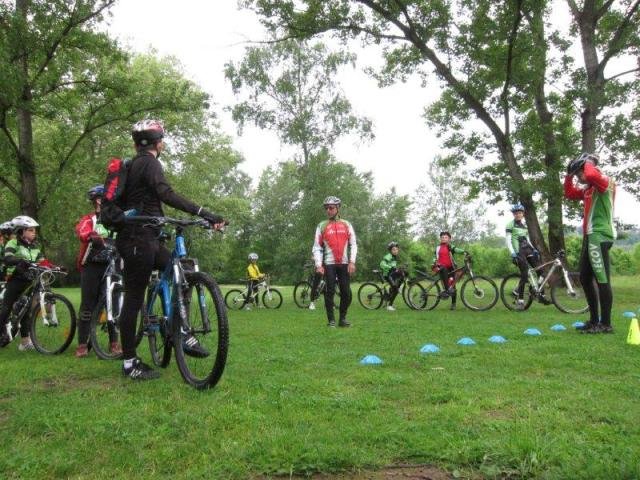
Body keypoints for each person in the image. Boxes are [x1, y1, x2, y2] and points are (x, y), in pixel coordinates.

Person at [116, 119, 225, 380]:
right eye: (162, 140)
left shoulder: (133, 165)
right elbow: (165, 193)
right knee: (133, 297)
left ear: (136, 143)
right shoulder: (149, 162)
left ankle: (180, 331)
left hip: (148, 237)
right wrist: (204, 213)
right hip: (136, 239)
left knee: (178, 272)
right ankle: (130, 363)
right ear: (158, 143)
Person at [564, 153, 616, 333]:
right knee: (585, 277)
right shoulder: (589, 189)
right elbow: (569, 193)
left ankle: (606, 324)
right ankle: (594, 320)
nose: (580, 177)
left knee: (602, 279)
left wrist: (588, 163)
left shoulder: (604, 182)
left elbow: (592, 175)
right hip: (590, 236)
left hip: (600, 235)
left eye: (580, 173)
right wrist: (569, 175)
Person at [74, 185, 122, 358]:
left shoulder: (117, 219)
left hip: (113, 265)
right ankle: (82, 344)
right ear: (99, 200)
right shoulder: (90, 219)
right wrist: (91, 235)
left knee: (112, 303)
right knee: (88, 303)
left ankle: (114, 343)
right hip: (92, 265)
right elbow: (81, 230)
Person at [0, 216, 54, 350]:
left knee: (26, 312)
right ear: (21, 231)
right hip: (15, 279)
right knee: (6, 308)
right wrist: (19, 261)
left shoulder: (35, 247)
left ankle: (25, 342)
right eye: (30, 230)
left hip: (29, 281)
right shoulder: (13, 243)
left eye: (34, 230)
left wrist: (54, 267)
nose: (34, 232)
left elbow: (42, 262)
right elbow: (7, 258)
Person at [312, 196, 357, 327]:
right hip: (329, 263)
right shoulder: (322, 225)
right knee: (329, 291)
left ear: (338, 208)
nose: (328, 210)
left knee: (346, 292)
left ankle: (342, 319)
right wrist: (318, 265)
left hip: (344, 263)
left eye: (331, 208)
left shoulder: (346, 224)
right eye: (326, 208)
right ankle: (331, 320)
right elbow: (316, 247)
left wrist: (352, 261)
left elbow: (353, 244)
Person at [505, 204, 547, 309]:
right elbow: (508, 241)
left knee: (542, 272)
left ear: (523, 214)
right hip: (519, 252)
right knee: (524, 275)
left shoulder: (524, 225)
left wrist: (534, 249)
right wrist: (512, 253)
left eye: (520, 213)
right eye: (516, 213)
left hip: (528, 250)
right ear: (514, 214)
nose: (518, 215)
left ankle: (539, 293)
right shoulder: (510, 225)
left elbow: (527, 239)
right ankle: (520, 301)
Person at [432, 231, 466, 310]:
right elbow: (434, 257)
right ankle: (447, 289)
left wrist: (464, 252)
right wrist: (434, 262)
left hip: (451, 269)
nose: (444, 239)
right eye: (442, 237)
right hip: (441, 268)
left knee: (453, 287)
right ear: (440, 239)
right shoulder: (437, 248)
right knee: (447, 286)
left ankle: (453, 304)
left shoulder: (450, 246)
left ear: (449, 239)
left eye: (446, 237)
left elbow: (457, 250)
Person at [380, 241, 404, 311]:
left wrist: (399, 268)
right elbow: (382, 264)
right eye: (394, 249)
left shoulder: (394, 257)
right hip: (387, 275)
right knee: (395, 289)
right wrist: (390, 267)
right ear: (390, 250)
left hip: (392, 273)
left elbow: (394, 266)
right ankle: (389, 306)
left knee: (403, 273)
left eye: (396, 249)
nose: (396, 251)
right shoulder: (388, 256)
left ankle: (397, 288)